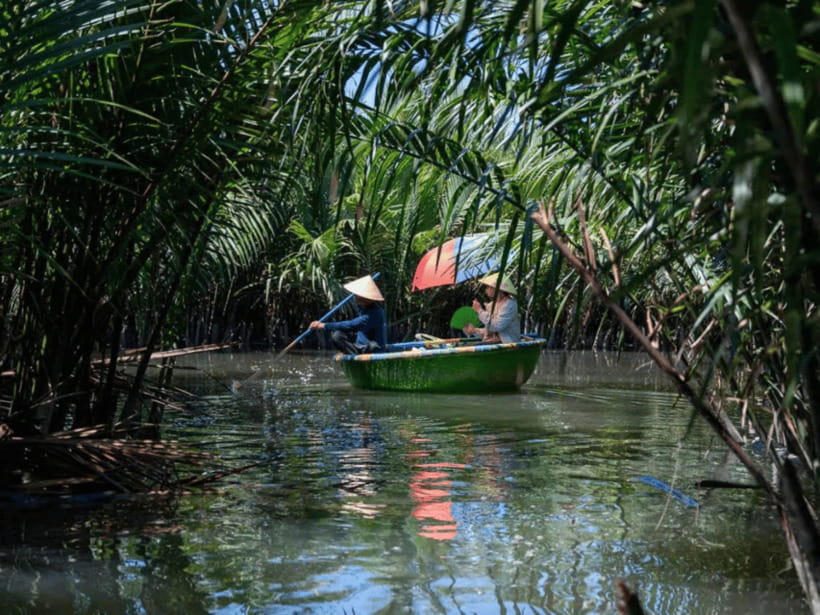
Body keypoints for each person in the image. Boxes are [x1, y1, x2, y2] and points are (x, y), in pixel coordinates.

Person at [309, 275, 387, 354]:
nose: (357, 299)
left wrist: (324, 325)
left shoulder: (375, 313)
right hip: (359, 346)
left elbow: (351, 325)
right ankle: (353, 355)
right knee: (337, 336)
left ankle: (358, 356)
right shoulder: (362, 307)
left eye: (360, 298)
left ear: (369, 299)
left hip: (371, 348)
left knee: (372, 345)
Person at [462, 273, 521, 343]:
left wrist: (480, 311)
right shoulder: (491, 305)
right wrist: (475, 330)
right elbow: (490, 330)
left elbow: (497, 326)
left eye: (488, 287)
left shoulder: (510, 304)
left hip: (508, 344)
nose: (486, 290)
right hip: (492, 343)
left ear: (497, 289)